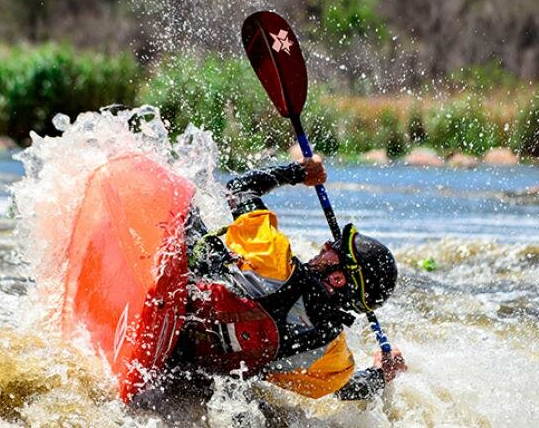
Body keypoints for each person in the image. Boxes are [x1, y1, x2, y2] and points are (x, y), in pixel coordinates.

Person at [168, 156, 407, 401]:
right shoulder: (332, 356)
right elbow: (346, 389)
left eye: (336, 250)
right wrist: (381, 374)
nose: (326, 246)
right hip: (189, 371)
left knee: (181, 200)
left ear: (338, 279)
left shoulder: (275, 260)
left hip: (176, 306)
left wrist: (298, 173)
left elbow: (239, 188)